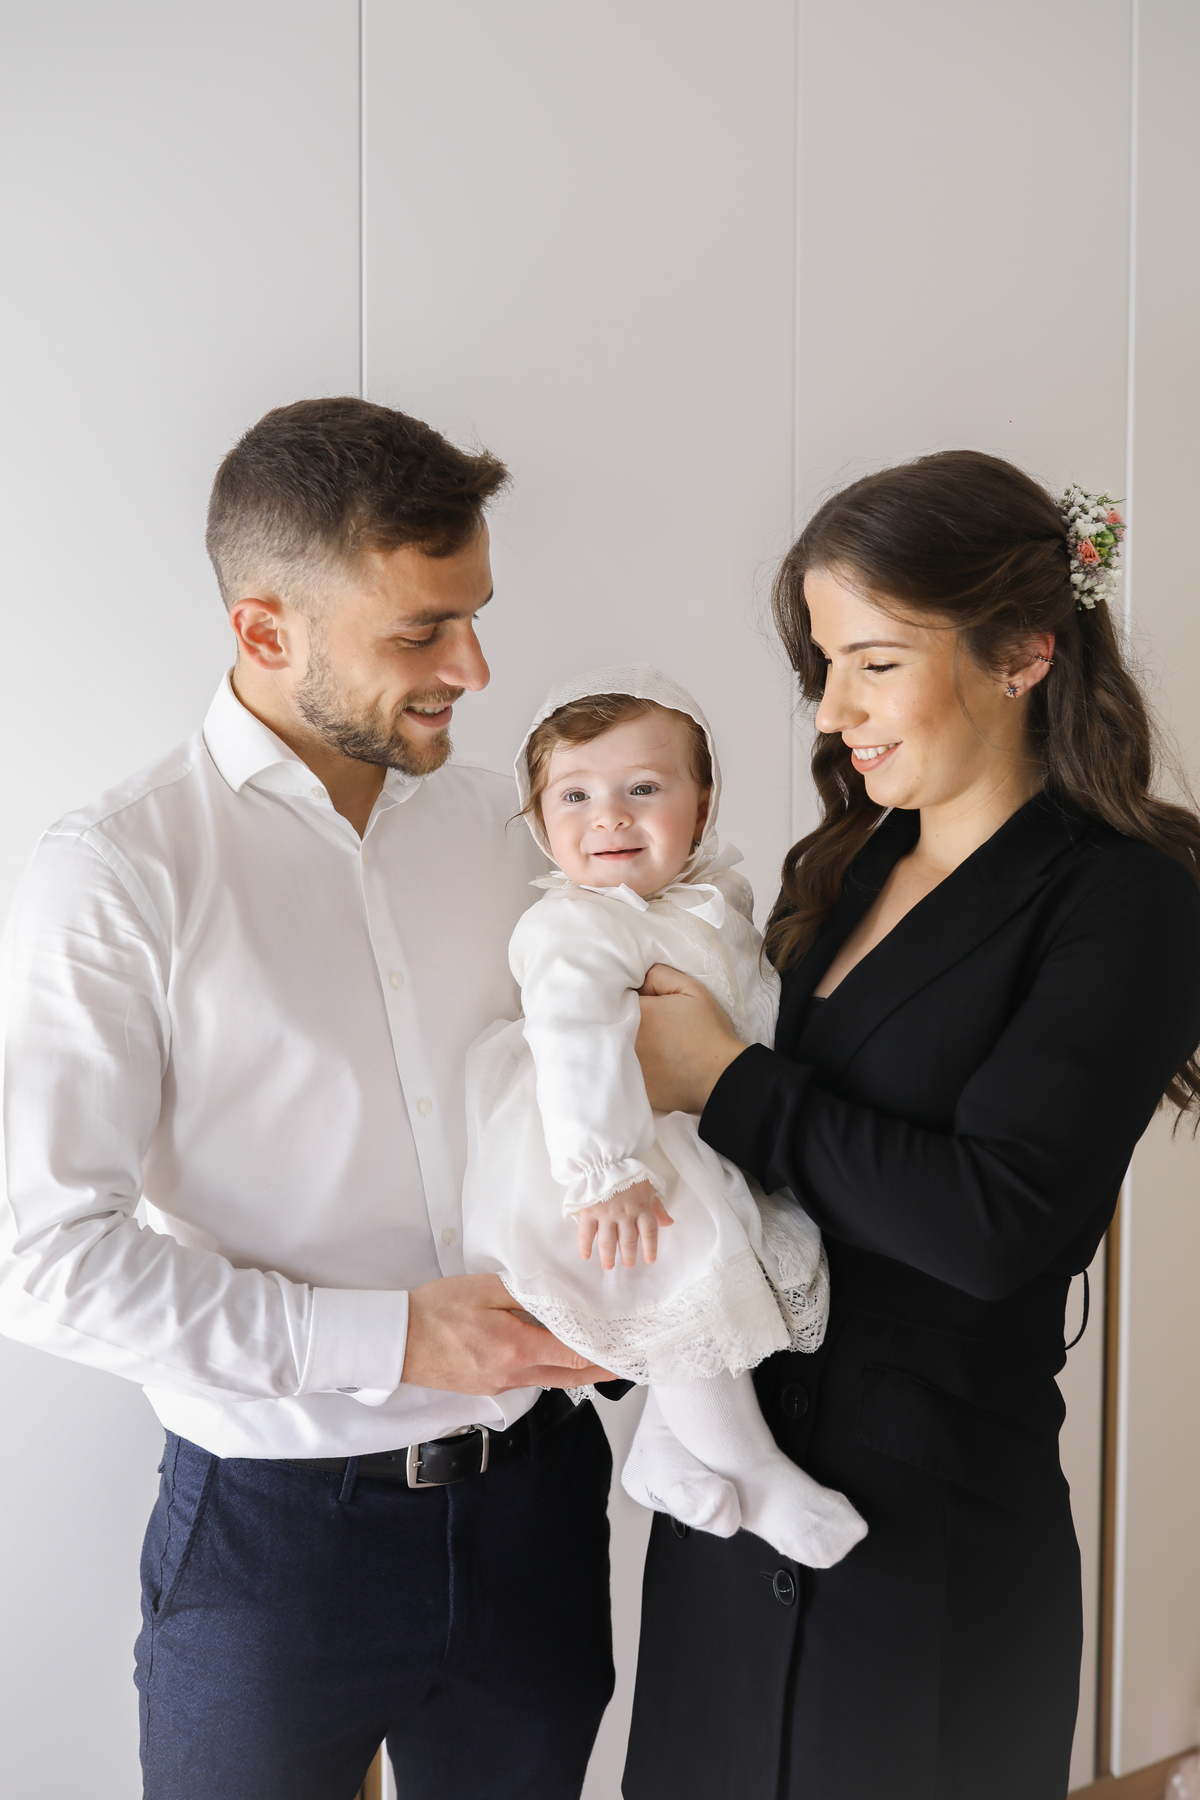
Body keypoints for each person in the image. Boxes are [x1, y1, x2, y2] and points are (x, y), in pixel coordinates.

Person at [0, 397, 618, 1800]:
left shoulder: (509, 830)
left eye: (473, 615)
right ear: (266, 632)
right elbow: (38, 1261)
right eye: (421, 632)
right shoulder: (118, 870)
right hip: (276, 1543)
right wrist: (389, 1335)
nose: (474, 664)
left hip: (533, 1509)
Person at [621, 452, 1200, 1800]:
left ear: (1024, 654)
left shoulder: (1129, 901)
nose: (833, 713)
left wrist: (721, 1079)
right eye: (823, 666)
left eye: (874, 663)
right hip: (735, 1516)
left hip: (929, 1534)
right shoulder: (847, 864)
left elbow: (996, 1224)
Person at [461, 664, 865, 1566]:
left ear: (704, 801)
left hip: (699, 1129)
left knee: (731, 1281)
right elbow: (573, 1042)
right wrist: (608, 1173)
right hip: (616, 1155)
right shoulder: (575, 925)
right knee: (689, 1285)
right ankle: (752, 1470)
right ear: (536, 820)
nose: (609, 816)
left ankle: (664, 1450)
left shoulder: (715, 898)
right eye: (575, 795)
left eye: (643, 788)